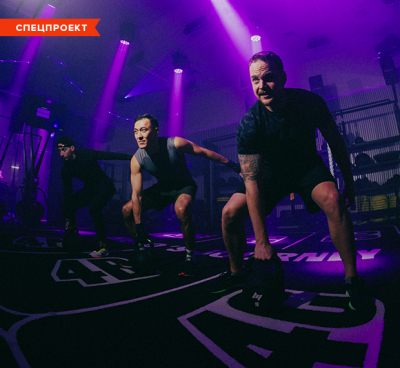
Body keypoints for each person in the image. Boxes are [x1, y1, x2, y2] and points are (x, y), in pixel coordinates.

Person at [212, 51, 369, 311]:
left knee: (333, 200)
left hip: (306, 166)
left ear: (283, 77)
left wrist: (349, 183)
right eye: (255, 80)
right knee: (229, 212)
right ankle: (236, 272)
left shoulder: (309, 102)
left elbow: (336, 142)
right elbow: (252, 182)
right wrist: (262, 242)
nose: (262, 86)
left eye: (268, 78)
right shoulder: (250, 123)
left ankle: (353, 278)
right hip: (270, 173)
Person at [122, 114, 241, 277]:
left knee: (181, 209)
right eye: (136, 131)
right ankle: (140, 250)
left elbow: (204, 152)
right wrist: (139, 227)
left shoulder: (175, 143)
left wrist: (233, 165)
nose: (139, 135)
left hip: (184, 186)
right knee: (127, 210)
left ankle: (190, 257)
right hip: (162, 189)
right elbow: (136, 195)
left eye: (144, 130)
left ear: (156, 131)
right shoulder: (136, 159)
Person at [57, 136, 132, 257]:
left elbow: (110, 155)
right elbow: (68, 192)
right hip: (91, 189)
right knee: (68, 204)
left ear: (72, 148)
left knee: (94, 208)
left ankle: (103, 247)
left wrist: (132, 157)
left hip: (105, 186)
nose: (61, 154)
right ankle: (71, 238)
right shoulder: (65, 169)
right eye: (60, 150)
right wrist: (68, 219)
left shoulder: (86, 154)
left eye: (64, 150)